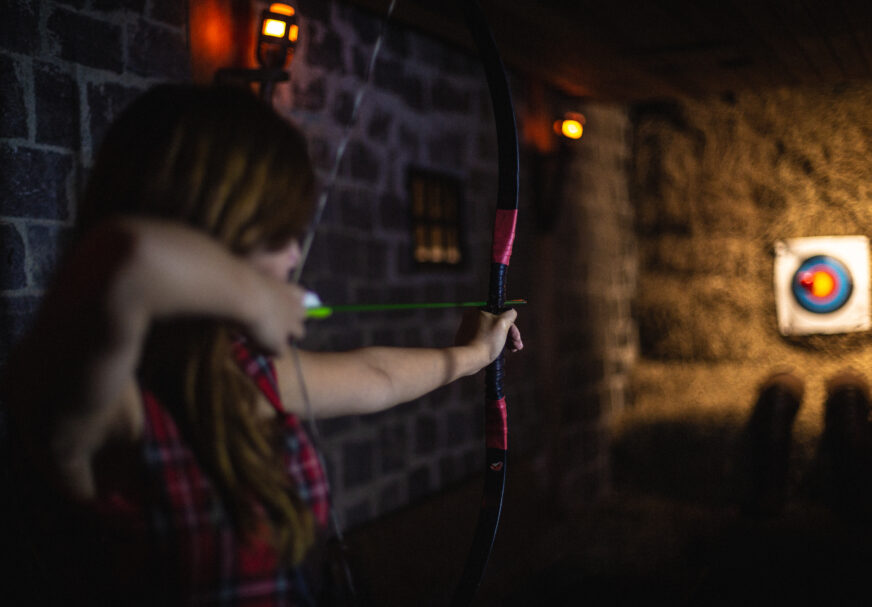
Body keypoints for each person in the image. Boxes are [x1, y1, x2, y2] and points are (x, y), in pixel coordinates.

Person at [1, 84, 522, 605]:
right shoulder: (103, 402)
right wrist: (254, 299)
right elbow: (123, 261)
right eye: (276, 235)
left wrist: (475, 355)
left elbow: (375, 377)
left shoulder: (240, 370)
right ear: (208, 225)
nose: (293, 257)